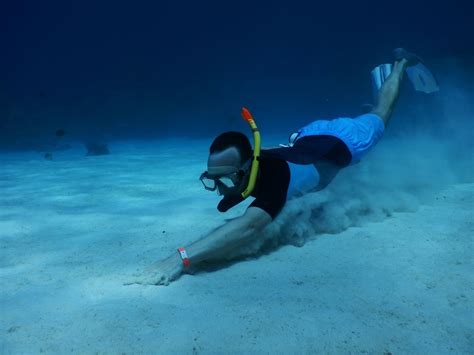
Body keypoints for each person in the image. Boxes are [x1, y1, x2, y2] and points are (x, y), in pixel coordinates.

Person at [130, 49, 432, 286]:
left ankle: (401, 63)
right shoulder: (250, 169)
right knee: (366, 119)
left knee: (382, 114)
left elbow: (248, 227)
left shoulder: (274, 179)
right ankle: (364, 113)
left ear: (247, 168)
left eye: (225, 180)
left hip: (343, 141)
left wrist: (179, 259)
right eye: (213, 181)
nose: (220, 189)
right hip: (307, 135)